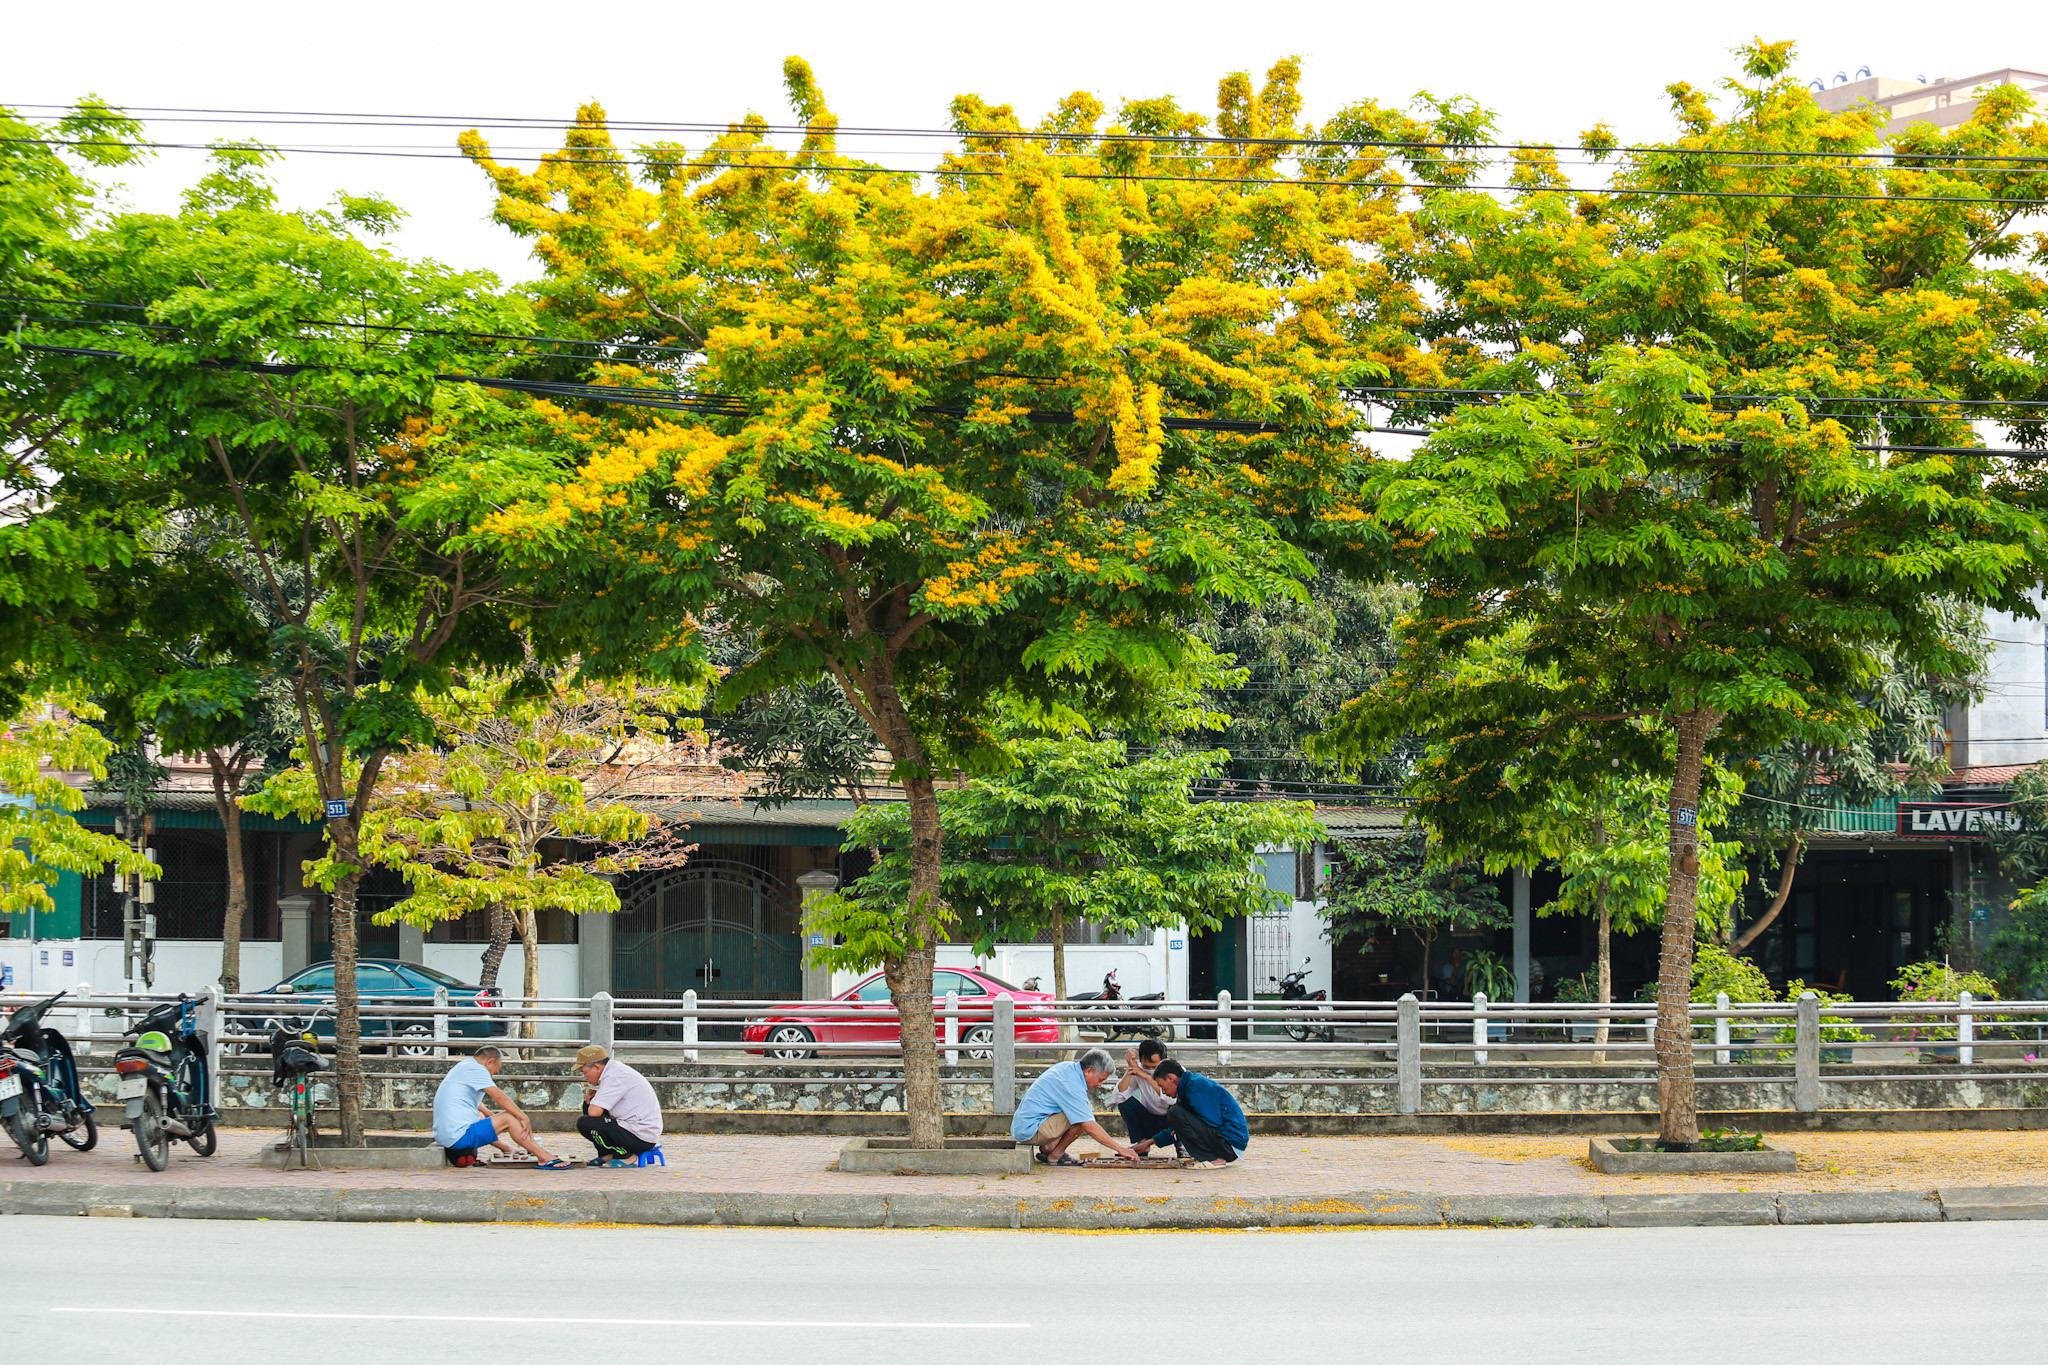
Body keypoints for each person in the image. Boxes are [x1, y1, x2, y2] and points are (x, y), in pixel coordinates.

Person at [432, 1045, 568, 1168]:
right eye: (494, 1072)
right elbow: (499, 1097)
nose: (492, 1076)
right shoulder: (477, 1069)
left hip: (446, 1137)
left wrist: (490, 1115)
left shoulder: (464, 1066)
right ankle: (545, 1158)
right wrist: (522, 1116)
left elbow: (470, 1101)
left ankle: (507, 1148)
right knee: (508, 1118)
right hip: (458, 1138)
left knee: (482, 1116)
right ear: (490, 1062)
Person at [1009, 1047, 1141, 1166]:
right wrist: (1121, 1149)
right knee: (1082, 1119)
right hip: (1030, 1131)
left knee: (1079, 1113)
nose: (1100, 1084)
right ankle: (1055, 1155)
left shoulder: (1067, 1068)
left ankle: (1049, 1147)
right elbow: (1089, 1126)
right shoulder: (1071, 1084)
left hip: (1025, 1127)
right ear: (1089, 1071)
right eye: (1100, 1079)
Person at [1137, 1060, 1249, 1168]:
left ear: (1171, 1078)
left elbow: (1212, 1121)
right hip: (1224, 1142)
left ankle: (1212, 1159)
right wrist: (1147, 1144)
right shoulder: (1187, 1088)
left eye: (1162, 1087)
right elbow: (1176, 1128)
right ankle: (1208, 1157)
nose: (1164, 1092)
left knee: (1174, 1113)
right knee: (1175, 1114)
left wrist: (1182, 1128)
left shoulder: (1197, 1087)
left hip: (1230, 1144)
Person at [574, 1044, 662, 1166]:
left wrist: (593, 1102)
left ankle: (626, 1156)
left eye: (585, 1072)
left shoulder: (614, 1076)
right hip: (635, 1130)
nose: (585, 1077)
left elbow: (594, 1113)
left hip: (641, 1136)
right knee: (588, 1107)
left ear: (596, 1067)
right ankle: (607, 1154)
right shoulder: (614, 1070)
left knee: (585, 1122)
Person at [1113, 1040, 1173, 1153]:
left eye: (1154, 1067)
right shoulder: (1138, 1070)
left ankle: (1182, 1146)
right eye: (1146, 1066)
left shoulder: (1174, 1070)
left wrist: (1148, 1078)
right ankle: (1142, 1144)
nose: (1150, 1070)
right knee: (1125, 1103)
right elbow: (1119, 1097)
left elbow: (1172, 1100)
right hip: (1150, 1121)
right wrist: (1130, 1068)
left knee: (1178, 1109)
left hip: (1173, 1122)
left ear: (1164, 1060)